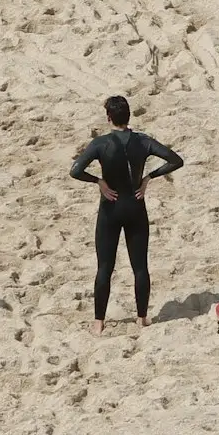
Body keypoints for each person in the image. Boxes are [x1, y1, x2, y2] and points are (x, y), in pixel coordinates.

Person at [69, 96, 184, 333]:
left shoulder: (100, 143)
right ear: (128, 116)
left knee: (104, 267)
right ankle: (142, 318)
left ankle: (99, 321)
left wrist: (98, 180)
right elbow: (175, 160)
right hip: (135, 206)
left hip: (110, 208)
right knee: (140, 266)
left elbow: (76, 171)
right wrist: (148, 178)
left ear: (108, 117)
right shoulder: (142, 142)